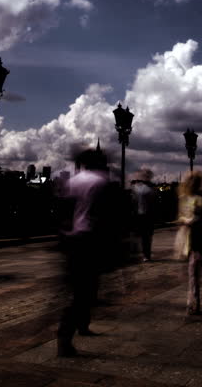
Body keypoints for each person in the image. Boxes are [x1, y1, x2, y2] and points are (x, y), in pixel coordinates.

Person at [57, 149, 113, 357]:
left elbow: (63, 212)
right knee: (85, 292)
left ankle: (81, 325)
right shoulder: (102, 182)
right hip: (90, 240)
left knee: (79, 289)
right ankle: (66, 336)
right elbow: (105, 215)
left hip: (72, 239)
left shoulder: (73, 181)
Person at [177, 171, 202, 315]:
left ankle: (196, 301)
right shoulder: (192, 197)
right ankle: (199, 299)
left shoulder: (197, 197)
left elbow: (197, 217)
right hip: (191, 238)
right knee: (198, 271)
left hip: (198, 238)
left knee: (195, 271)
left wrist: (186, 220)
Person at [132, 169, 156, 262]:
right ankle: (146, 254)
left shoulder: (138, 188)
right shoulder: (147, 188)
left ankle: (145, 254)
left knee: (145, 236)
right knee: (146, 236)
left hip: (144, 215)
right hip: (144, 215)